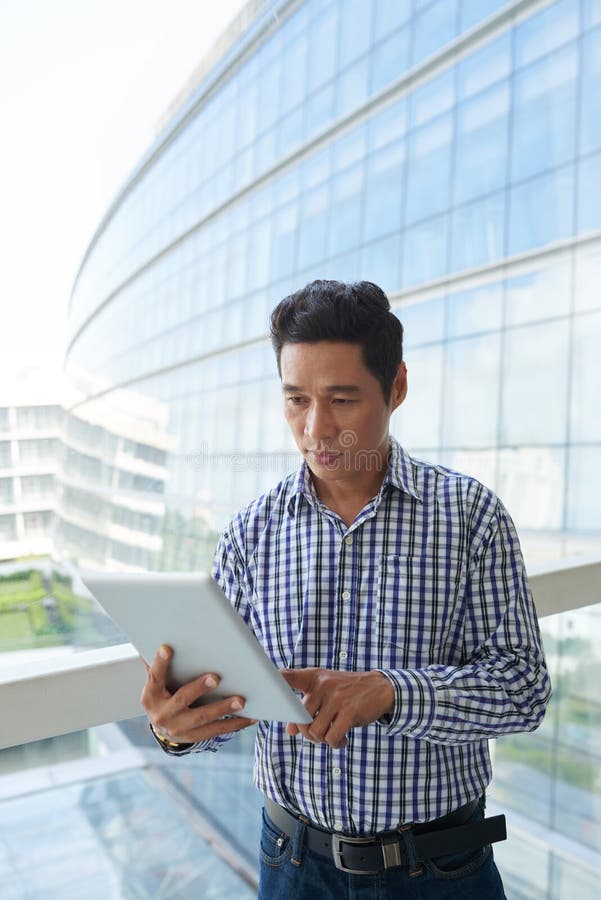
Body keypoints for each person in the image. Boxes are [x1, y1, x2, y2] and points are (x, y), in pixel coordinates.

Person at [141, 280, 551, 899]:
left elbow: (523, 690)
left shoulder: (471, 517)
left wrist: (391, 692)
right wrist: (175, 727)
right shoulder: (250, 534)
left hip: (440, 870)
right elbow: (227, 704)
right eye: (296, 399)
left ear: (397, 388)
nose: (316, 428)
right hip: (293, 867)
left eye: (341, 399)